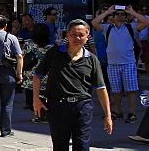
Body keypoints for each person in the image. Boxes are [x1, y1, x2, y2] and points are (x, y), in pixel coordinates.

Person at [32, 19, 113, 150]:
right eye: (74, 34)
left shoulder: (91, 59)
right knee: (60, 145)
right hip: (58, 105)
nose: (77, 38)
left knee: (82, 145)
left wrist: (108, 115)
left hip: (82, 107)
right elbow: (37, 76)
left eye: (81, 35)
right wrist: (36, 99)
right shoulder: (55, 53)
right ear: (67, 36)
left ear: (87, 37)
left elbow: (101, 88)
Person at [92, 4, 149, 123]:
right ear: (113, 17)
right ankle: (117, 112)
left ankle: (132, 112)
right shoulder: (108, 28)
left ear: (126, 17)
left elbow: (146, 21)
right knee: (116, 90)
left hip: (128, 63)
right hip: (112, 64)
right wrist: (108, 11)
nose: (119, 15)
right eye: (117, 14)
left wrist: (132, 12)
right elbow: (94, 22)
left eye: (122, 14)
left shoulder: (131, 27)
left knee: (131, 90)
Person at [22, 21, 54, 120]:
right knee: (47, 95)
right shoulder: (51, 47)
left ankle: (36, 114)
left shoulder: (28, 44)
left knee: (33, 95)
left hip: (31, 73)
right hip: (47, 74)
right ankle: (46, 114)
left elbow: (23, 57)